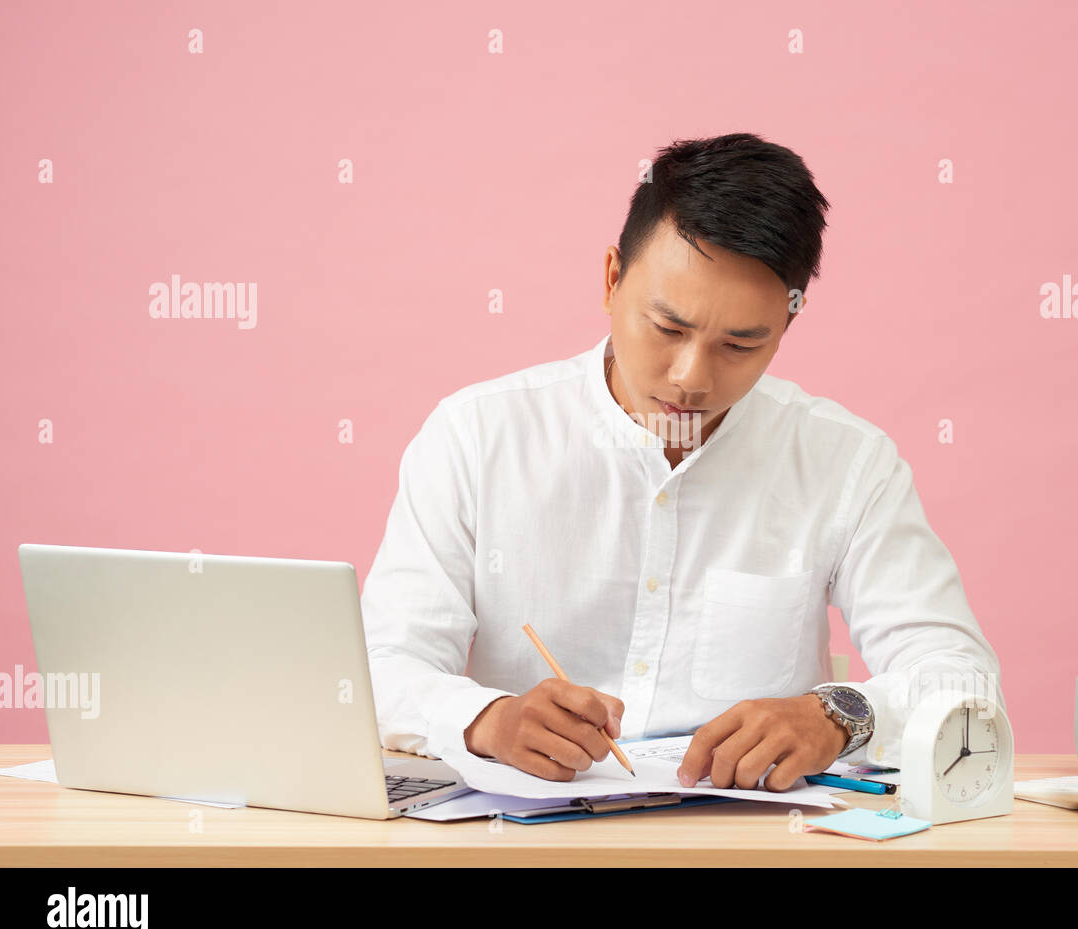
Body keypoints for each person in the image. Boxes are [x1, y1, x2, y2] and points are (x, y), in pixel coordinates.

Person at [360, 132, 1004, 793]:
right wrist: (488, 718)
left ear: (788, 322)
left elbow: (964, 680)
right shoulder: (476, 437)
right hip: (520, 839)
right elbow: (380, 666)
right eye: (667, 328)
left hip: (751, 842)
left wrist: (839, 714)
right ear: (612, 279)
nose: (690, 377)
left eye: (740, 344)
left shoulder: (847, 462)